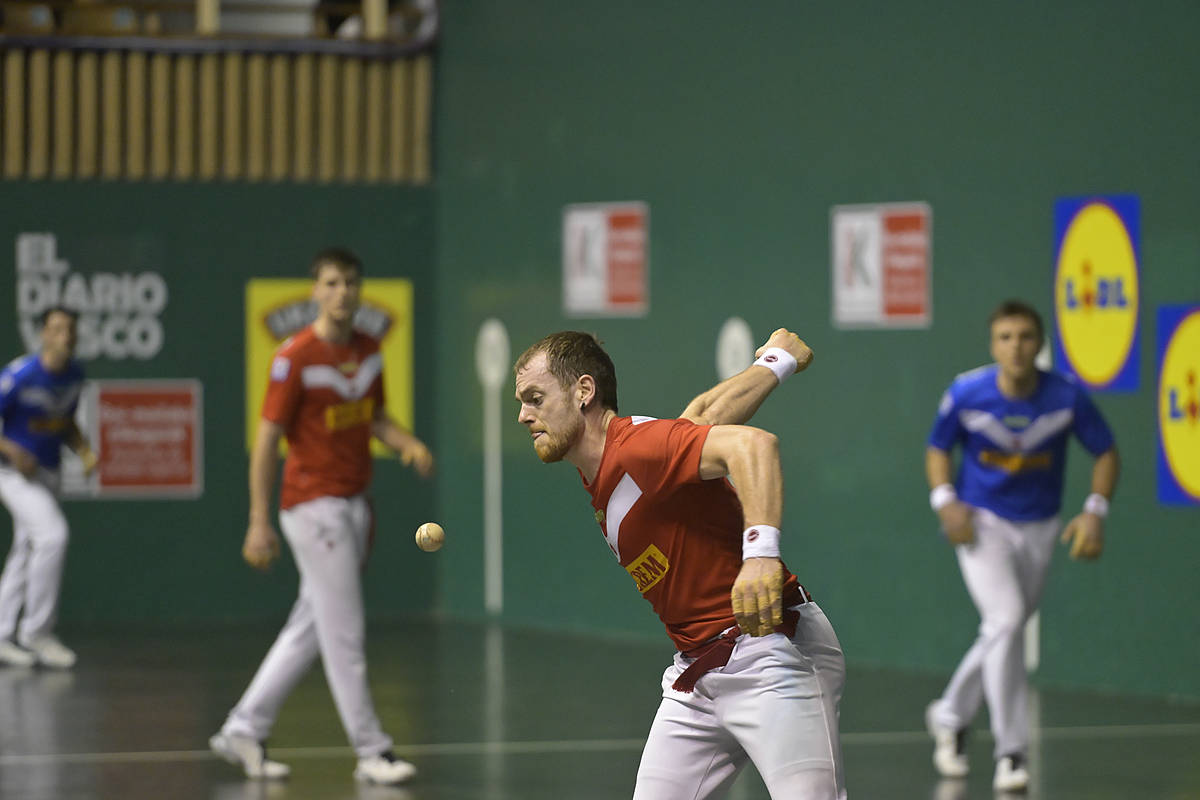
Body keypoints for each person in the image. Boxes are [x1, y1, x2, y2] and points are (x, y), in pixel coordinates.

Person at [513, 328, 846, 800]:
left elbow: (753, 446)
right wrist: (775, 362)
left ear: (583, 392)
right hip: (698, 678)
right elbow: (702, 419)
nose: (523, 415)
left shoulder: (636, 447)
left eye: (534, 398)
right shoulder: (618, 461)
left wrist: (760, 555)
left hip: (772, 652)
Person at [209, 247, 434, 785]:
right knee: (346, 633)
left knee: (310, 626)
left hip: (355, 505)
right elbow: (266, 441)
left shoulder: (370, 349)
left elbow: (373, 414)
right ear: (315, 291)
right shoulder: (294, 358)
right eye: (331, 283)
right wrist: (259, 519)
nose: (342, 293)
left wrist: (405, 442)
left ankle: (243, 726)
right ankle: (372, 751)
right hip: (312, 507)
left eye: (351, 283)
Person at [923, 299, 1119, 792]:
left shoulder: (1066, 397)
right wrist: (946, 501)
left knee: (1001, 630)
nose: (1016, 347)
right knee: (1007, 622)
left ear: (1039, 343)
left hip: (1042, 526)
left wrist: (1095, 511)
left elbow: (1105, 451)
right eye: (1006, 337)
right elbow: (937, 447)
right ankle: (1012, 751)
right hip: (982, 522)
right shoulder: (968, 392)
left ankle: (949, 714)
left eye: (1026, 337)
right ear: (994, 345)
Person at [0, 306, 97, 670]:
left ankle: (2, 633)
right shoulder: (19, 375)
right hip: (11, 473)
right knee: (52, 537)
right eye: (56, 329)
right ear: (43, 334)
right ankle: (37, 632)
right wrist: (12, 450)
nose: (65, 337)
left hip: (49, 471)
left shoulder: (75, 374)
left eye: (70, 329)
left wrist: (84, 450)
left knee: (26, 548)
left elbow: (64, 420)